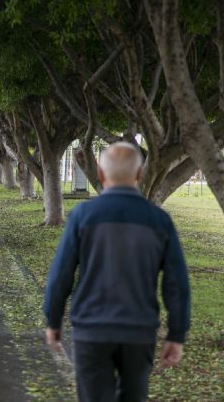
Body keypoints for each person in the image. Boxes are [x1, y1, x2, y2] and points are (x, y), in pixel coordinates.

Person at [43, 142, 190, 402]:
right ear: (140, 174)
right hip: (139, 332)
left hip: (91, 330)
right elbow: (176, 283)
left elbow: (61, 274)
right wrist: (176, 335)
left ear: (99, 174)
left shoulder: (82, 216)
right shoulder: (159, 221)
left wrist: (53, 320)